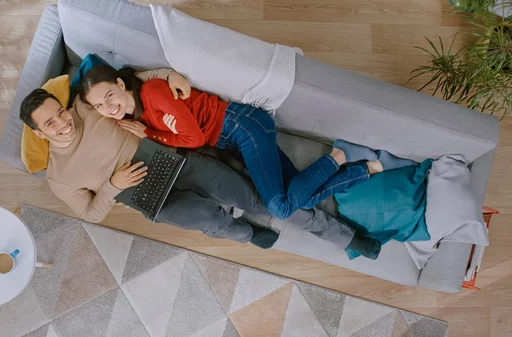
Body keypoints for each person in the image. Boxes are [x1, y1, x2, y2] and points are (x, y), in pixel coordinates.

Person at [20, 68, 381, 258]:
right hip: (151, 199)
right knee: (214, 222)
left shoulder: (90, 104)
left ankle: (344, 236)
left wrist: (169, 75)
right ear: (39, 134)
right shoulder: (59, 177)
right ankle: (247, 234)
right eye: (50, 123)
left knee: (264, 201)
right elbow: (89, 215)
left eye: (60, 112)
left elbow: (132, 83)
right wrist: (113, 186)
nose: (63, 123)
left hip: (179, 161)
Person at [79, 65, 398, 222]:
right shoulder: (137, 116)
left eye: (109, 96)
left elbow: (195, 138)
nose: (108, 107)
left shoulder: (153, 93)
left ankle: (337, 157)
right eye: (99, 106)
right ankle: (363, 169)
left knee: (281, 207)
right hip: (234, 141)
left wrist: (150, 135)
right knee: (299, 198)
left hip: (243, 126)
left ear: (120, 84)